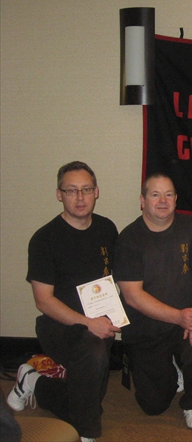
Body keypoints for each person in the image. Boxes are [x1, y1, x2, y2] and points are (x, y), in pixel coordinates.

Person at [7, 161, 119, 442]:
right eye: (71, 191)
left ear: (97, 192)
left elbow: (113, 281)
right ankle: (87, 434)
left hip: (99, 323)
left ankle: (33, 381)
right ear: (59, 194)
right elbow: (43, 301)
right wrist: (87, 322)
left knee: (88, 396)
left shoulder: (107, 229)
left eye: (86, 189)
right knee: (90, 391)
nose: (80, 198)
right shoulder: (44, 239)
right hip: (59, 326)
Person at [114, 173, 192, 429]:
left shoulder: (190, 227)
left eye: (169, 194)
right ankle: (172, 369)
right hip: (146, 328)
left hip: (186, 321)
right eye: (155, 194)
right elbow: (132, 296)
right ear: (142, 201)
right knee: (153, 405)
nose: (163, 201)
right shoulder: (128, 239)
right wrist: (178, 316)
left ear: (175, 199)